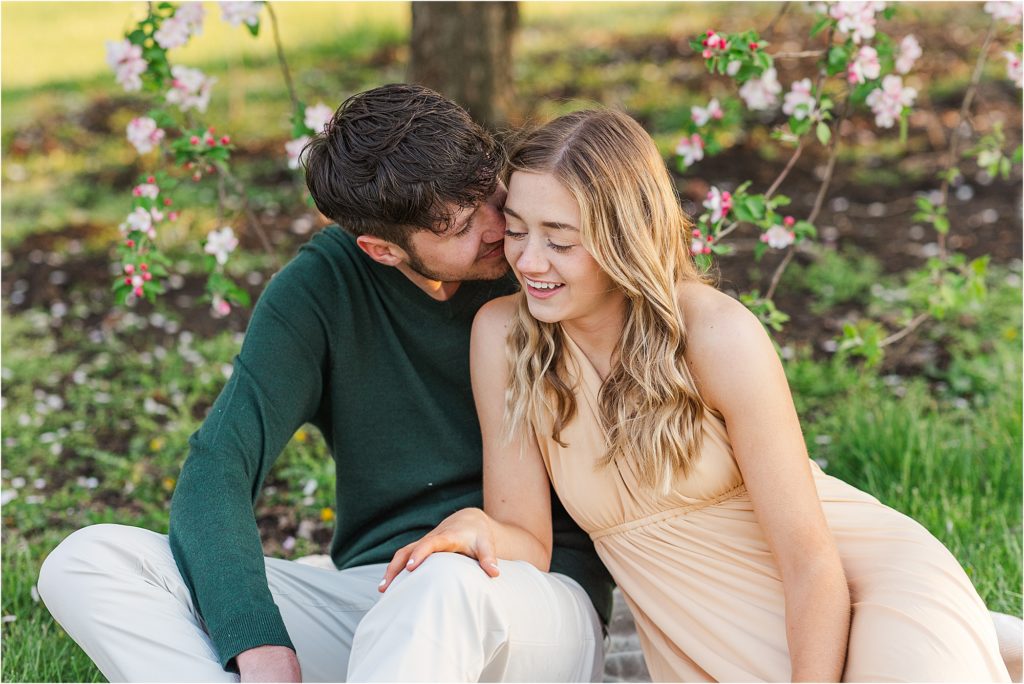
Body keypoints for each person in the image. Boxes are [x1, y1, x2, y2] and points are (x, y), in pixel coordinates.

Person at [379, 108, 1013, 682]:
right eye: (516, 231)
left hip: (857, 594)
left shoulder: (716, 335)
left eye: (561, 241)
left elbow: (812, 563)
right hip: (705, 644)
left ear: (624, 238)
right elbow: (528, 540)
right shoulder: (504, 337)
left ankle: (962, 635)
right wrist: (475, 527)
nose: (530, 261)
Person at [38, 84, 614, 683]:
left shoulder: (544, 261)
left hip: (531, 600)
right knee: (87, 562)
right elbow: (219, 465)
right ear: (382, 250)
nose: (503, 228)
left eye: (490, 190)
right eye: (463, 225)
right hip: (380, 595)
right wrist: (258, 644)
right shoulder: (322, 291)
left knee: (445, 581)